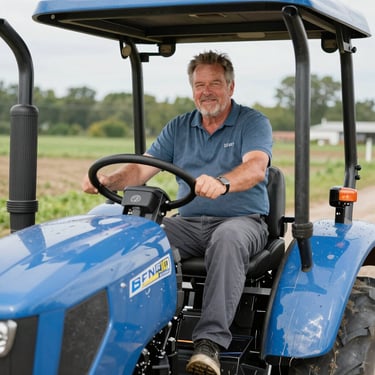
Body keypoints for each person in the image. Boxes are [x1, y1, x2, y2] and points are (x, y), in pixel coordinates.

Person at [82, 50, 272, 375]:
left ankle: (208, 345)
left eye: (215, 83)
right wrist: (107, 180)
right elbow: (140, 171)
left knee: (228, 239)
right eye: (200, 84)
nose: (206, 91)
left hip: (242, 221)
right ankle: (137, 335)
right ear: (192, 88)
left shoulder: (252, 123)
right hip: (188, 223)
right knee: (140, 234)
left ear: (231, 87)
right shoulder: (179, 127)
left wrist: (224, 182)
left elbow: (256, 167)